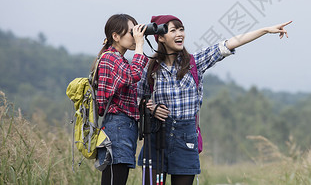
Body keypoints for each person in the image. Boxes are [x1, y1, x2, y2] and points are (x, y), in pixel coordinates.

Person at [137, 14, 292, 185]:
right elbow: (138, 98)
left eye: (181, 29)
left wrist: (265, 30)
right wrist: (151, 108)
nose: (180, 34)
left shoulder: (194, 63)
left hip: (185, 139)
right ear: (161, 37)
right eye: (173, 30)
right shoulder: (150, 67)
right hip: (157, 137)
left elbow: (229, 44)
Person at [95, 14, 149, 185]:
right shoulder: (109, 58)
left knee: (118, 178)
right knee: (114, 179)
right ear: (115, 36)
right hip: (117, 126)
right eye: (131, 32)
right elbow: (134, 75)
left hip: (124, 127)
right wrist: (140, 45)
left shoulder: (121, 60)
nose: (135, 36)